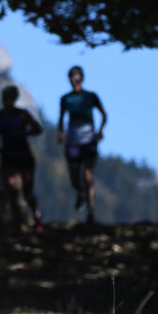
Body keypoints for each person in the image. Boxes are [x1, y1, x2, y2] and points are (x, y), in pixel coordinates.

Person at [57, 65, 107, 224]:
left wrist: (99, 131)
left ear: (82, 79)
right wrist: (61, 133)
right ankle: (81, 193)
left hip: (88, 140)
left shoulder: (91, 97)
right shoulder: (65, 99)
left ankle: (91, 212)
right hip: (73, 140)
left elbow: (104, 114)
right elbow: (61, 119)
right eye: (72, 78)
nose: (75, 81)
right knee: (73, 175)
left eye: (77, 78)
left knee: (87, 175)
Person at [0, 85, 43, 232]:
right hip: (8, 157)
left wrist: (23, 133)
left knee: (27, 193)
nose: (6, 100)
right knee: (12, 192)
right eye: (4, 97)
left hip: (23, 157)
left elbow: (38, 129)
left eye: (9, 97)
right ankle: (17, 225)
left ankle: (36, 216)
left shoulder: (22, 114)